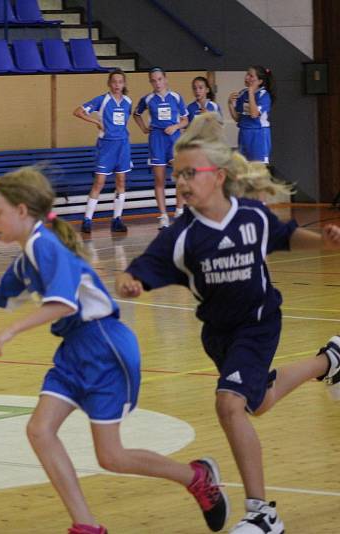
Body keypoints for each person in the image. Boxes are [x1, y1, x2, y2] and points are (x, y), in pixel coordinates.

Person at [0, 166, 229, 534]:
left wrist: (10, 331)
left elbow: (64, 305)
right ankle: (86, 525)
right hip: (74, 350)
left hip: (103, 345)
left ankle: (196, 476)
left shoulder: (44, 245)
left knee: (111, 456)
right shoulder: (24, 262)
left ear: (22, 211)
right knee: (40, 430)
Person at [115, 113, 340, 534]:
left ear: (217, 176)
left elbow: (285, 235)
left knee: (229, 403)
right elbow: (142, 270)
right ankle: (330, 360)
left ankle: (262, 514)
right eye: (177, 174)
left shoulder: (251, 217)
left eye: (189, 173)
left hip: (258, 323)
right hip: (217, 334)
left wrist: (324, 242)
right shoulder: (180, 237)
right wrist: (128, 282)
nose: (180, 182)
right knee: (259, 402)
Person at [73, 69, 132, 234]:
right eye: (114, 82)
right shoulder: (102, 100)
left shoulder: (128, 101)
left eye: (120, 82)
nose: (117, 85)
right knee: (99, 183)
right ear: (109, 83)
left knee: (121, 182)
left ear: (124, 84)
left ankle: (117, 220)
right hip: (106, 146)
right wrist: (95, 122)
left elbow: (124, 122)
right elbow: (78, 111)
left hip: (123, 146)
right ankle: (87, 219)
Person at [133, 67, 189, 228]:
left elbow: (185, 120)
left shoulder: (176, 97)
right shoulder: (148, 99)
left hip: (173, 139)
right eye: (153, 80)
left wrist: (176, 126)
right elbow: (136, 114)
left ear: (165, 79)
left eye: (159, 79)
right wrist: (144, 128)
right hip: (156, 139)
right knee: (159, 179)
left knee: (181, 176)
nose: (157, 83)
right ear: (150, 82)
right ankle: (163, 216)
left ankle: (179, 211)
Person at [228, 66, 274, 164]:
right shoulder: (242, 93)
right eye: (247, 74)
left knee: (258, 170)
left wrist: (251, 93)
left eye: (251, 76)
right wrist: (230, 104)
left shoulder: (264, 95)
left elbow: (254, 114)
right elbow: (237, 118)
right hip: (244, 133)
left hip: (259, 134)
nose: (247, 78)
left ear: (260, 81)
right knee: (244, 169)